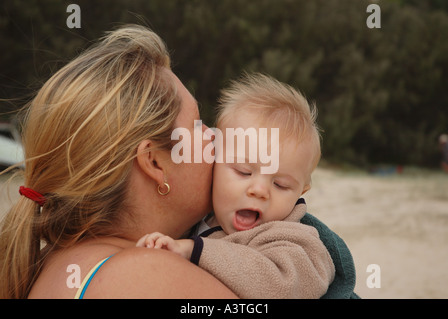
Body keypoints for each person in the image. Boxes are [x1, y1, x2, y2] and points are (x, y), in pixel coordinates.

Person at [0, 25, 237, 299]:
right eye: (197, 125)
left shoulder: (47, 265)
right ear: (154, 162)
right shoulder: (148, 276)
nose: (216, 137)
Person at [137, 73, 336, 298]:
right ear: (214, 163)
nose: (259, 190)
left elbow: (284, 285)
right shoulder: (199, 219)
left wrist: (195, 251)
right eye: (244, 172)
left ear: (302, 192)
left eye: (280, 185)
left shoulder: (293, 240)